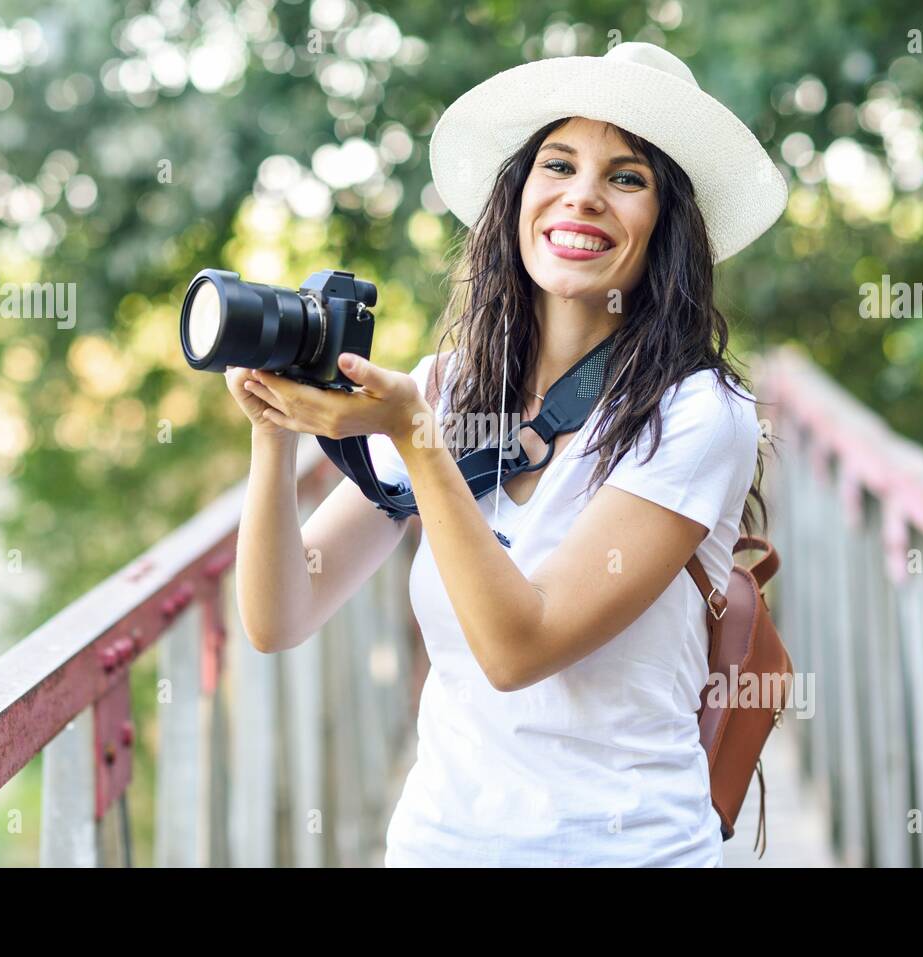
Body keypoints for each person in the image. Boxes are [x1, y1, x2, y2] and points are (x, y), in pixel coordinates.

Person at [223, 41, 786, 867]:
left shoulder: (699, 415)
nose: (583, 196)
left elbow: (519, 646)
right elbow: (281, 615)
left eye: (627, 178)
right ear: (519, 194)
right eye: (558, 164)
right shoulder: (446, 390)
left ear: (668, 226)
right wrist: (272, 433)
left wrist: (413, 439)